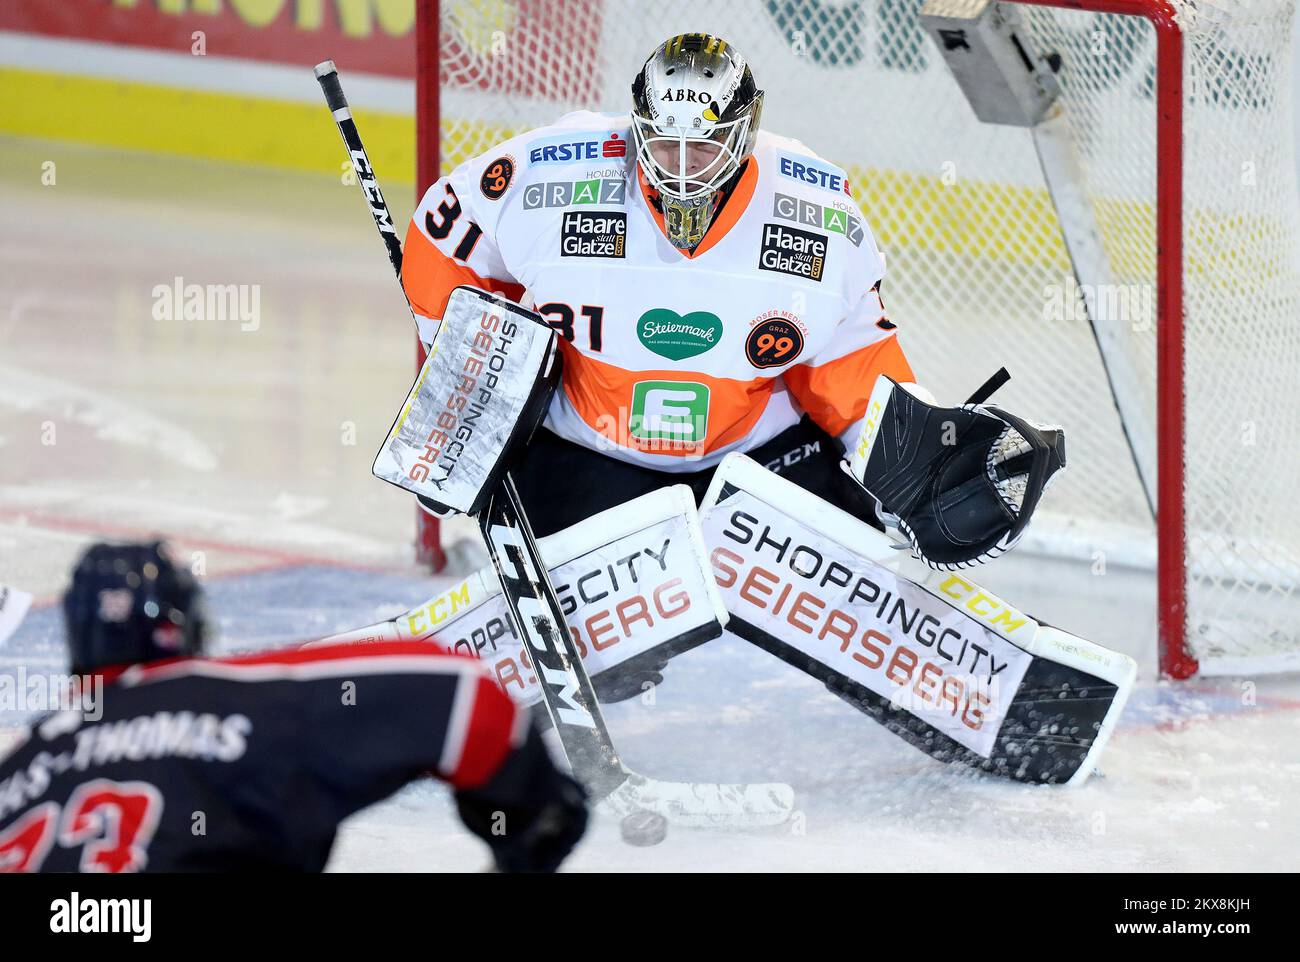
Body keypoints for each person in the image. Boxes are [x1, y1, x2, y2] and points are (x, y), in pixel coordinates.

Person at [401, 32, 919, 538]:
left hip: (760, 460)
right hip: (585, 452)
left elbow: (853, 358)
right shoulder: (551, 174)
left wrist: (909, 469)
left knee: (847, 565)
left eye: (707, 143)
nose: (684, 165)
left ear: (745, 131)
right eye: (668, 142)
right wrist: (475, 376)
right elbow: (445, 233)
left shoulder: (814, 211)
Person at [0, 542, 586, 873]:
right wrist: (532, 820)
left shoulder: (24, 761)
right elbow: (460, 693)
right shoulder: (239, 700)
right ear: (187, 626)